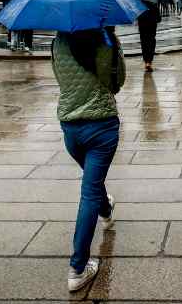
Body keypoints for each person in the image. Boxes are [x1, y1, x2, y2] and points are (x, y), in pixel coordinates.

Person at [51, 26, 125, 291]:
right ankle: (77, 269)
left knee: (94, 183)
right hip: (102, 125)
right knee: (90, 190)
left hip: (70, 128)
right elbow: (117, 83)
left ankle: (106, 211)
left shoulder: (58, 41)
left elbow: (60, 79)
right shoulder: (106, 40)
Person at [137, 1, 161, 72]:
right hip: (152, 30)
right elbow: (159, 19)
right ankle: (149, 62)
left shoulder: (140, 6)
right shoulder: (154, 7)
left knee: (144, 45)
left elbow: (137, 17)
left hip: (142, 30)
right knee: (151, 45)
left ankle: (146, 62)